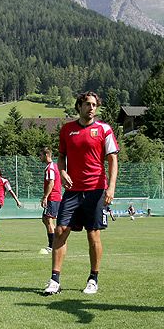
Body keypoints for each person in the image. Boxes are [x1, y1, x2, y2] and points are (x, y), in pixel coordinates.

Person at [43, 91, 119, 295]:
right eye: (87, 104)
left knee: (93, 234)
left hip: (95, 190)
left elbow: (113, 161)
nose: (91, 108)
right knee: (60, 231)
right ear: (79, 106)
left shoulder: (105, 130)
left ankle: (93, 279)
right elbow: (61, 157)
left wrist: (110, 188)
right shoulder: (67, 130)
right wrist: (62, 171)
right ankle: (54, 280)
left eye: (94, 104)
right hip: (72, 191)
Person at [39, 146, 63, 253]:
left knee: (49, 220)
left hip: (53, 197)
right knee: (45, 219)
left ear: (46, 155)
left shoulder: (50, 168)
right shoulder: (54, 166)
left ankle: (52, 245)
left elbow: (51, 183)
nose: (40, 157)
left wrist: (45, 197)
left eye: (41, 155)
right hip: (54, 197)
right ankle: (55, 241)